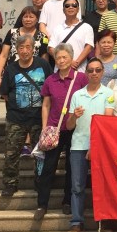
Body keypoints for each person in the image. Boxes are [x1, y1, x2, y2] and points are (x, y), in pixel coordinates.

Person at [36, 44, 88, 221]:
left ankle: (67, 201)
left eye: (65, 57)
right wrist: (45, 128)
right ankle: (42, 204)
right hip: (54, 129)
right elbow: (46, 105)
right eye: (58, 58)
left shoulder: (81, 78)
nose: (61, 60)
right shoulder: (50, 80)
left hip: (75, 128)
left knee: (71, 167)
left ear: (72, 58)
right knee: (48, 167)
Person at [65, 57, 115, 232]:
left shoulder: (108, 93)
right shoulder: (77, 95)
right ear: (86, 73)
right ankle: (76, 222)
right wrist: (74, 116)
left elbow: (107, 122)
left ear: (103, 72)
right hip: (78, 144)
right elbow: (69, 126)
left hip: (100, 145)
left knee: (102, 185)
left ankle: (104, 221)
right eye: (91, 70)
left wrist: (94, 146)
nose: (94, 73)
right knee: (77, 186)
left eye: (98, 70)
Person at [0, 34, 51, 196]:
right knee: (11, 153)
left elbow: (50, 88)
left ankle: (40, 182)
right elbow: (5, 93)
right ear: (16, 50)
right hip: (16, 118)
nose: (25, 51)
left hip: (38, 118)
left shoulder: (43, 65)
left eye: (28, 47)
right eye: (21, 48)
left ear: (33, 49)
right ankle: (10, 183)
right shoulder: (11, 69)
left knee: (41, 154)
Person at [0, 5, 47, 88]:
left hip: (34, 76)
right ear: (21, 18)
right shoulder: (12, 33)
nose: (28, 19)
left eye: (31, 17)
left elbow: (44, 59)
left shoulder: (42, 37)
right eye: (25, 17)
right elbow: (3, 55)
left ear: (37, 19)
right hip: (12, 73)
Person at [47, 0, 94, 72]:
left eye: (74, 5)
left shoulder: (87, 27)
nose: (71, 7)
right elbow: (51, 48)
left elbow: (88, 47)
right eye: (67, 6)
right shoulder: (57, 28)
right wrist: (68, 62)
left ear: (78, 9)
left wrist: (75, 64)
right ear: (63, 10)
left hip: (79, 70)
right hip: (60, 71)